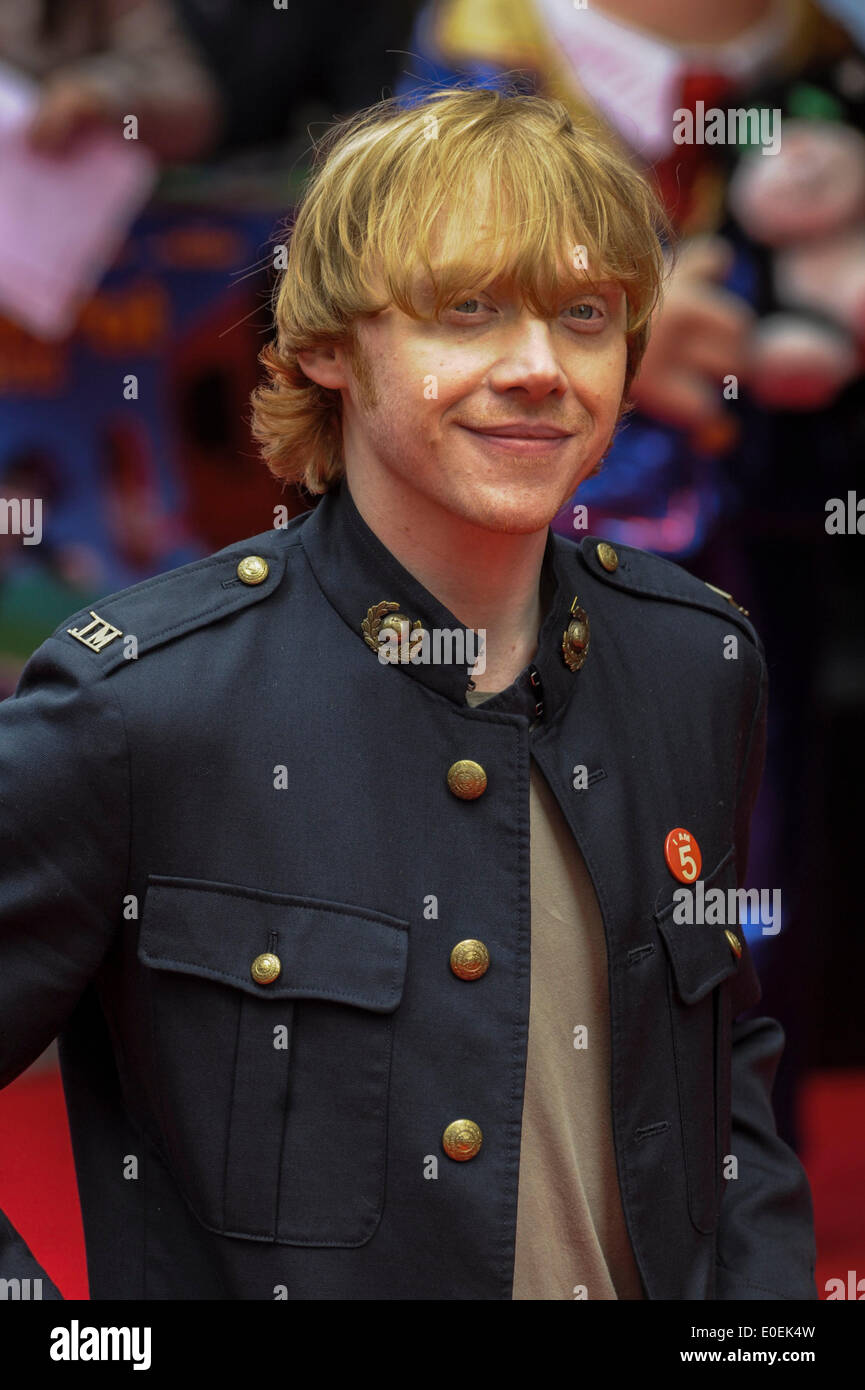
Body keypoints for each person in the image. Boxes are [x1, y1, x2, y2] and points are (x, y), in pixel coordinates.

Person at [0, 85, 816, 1300]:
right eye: (468, 310)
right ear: (323, 343)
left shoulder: (698, 660)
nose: (538, 367)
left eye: (585, 314)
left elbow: (717, 1063)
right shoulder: (139, 700)